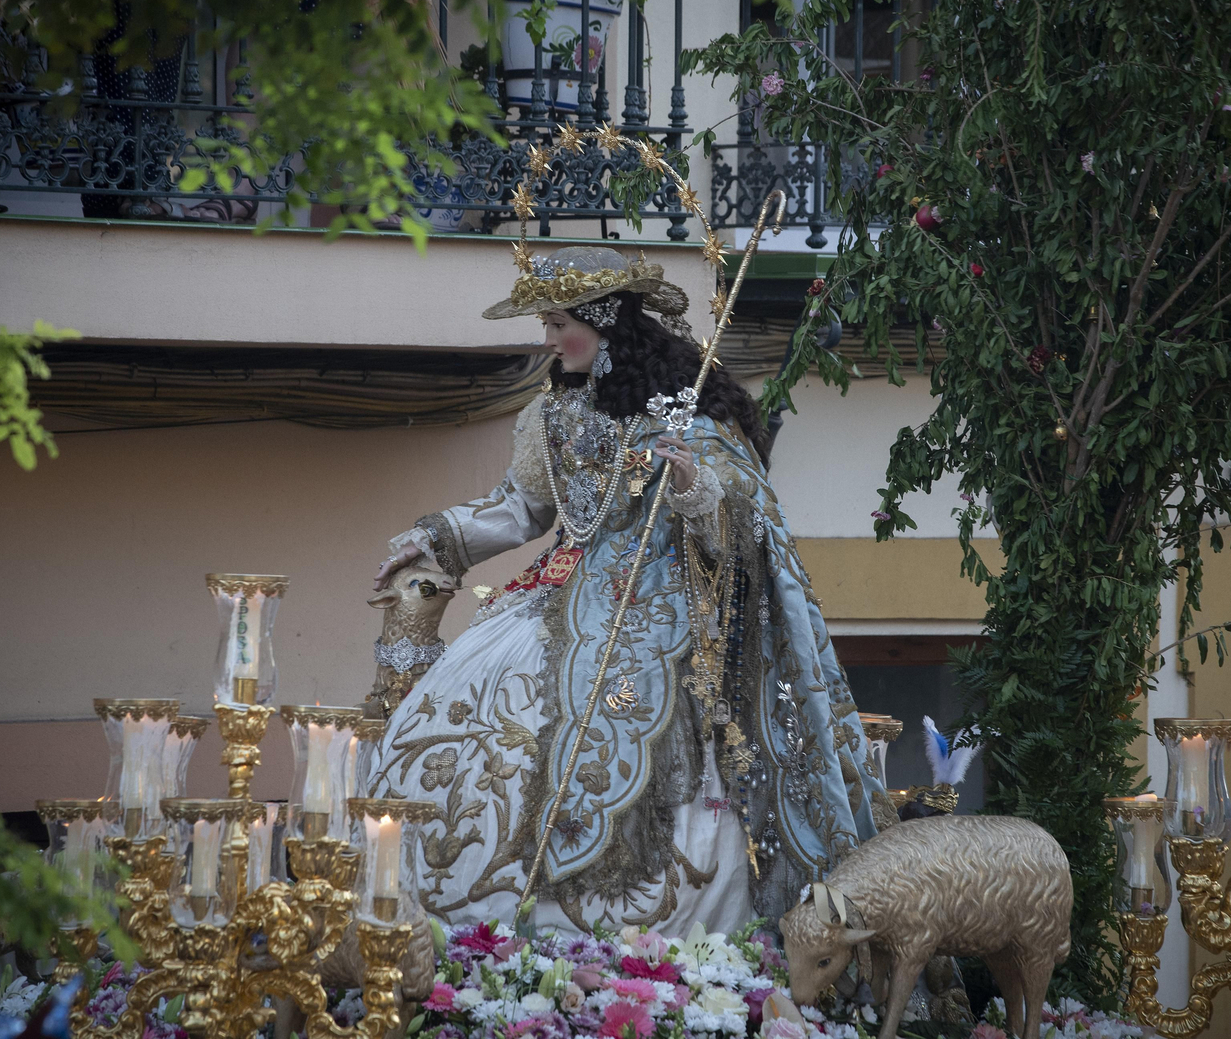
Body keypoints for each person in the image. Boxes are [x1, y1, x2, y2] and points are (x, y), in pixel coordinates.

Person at [364, 246, 893, 935]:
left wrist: (692, 487)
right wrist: (435, 537)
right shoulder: (550, 413)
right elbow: (522, 508)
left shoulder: (684, 411)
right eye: (546, 326)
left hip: (659, 600)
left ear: (606, 321)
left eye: (559, 324)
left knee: (624, 710)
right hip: (554, 596)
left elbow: (740, 498)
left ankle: (638, 913)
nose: (549, 341)